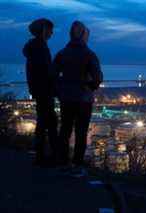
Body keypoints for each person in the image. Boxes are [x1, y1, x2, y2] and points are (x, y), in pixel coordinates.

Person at [54, 21, 103, 176]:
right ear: (83, 35)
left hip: (66, 97)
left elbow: (52, 75)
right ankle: (77, 165)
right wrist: (90, 86)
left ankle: (62, 162)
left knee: (65, 130)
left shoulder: (62, 53)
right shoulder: (89, 54)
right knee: (81, 132)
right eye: (87, 35)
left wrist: (60, 90)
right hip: (83, 99)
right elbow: (97, 77)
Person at [23, 18, 58, 166]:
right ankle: (48, 156)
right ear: (43, 30)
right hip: (44, 90)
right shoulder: (40, 48)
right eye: (50, 30)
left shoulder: (34, 47)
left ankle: (42, 155)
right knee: (48, 122)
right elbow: (45, 71)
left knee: (44, 122)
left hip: (39, 90)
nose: (52, 33)